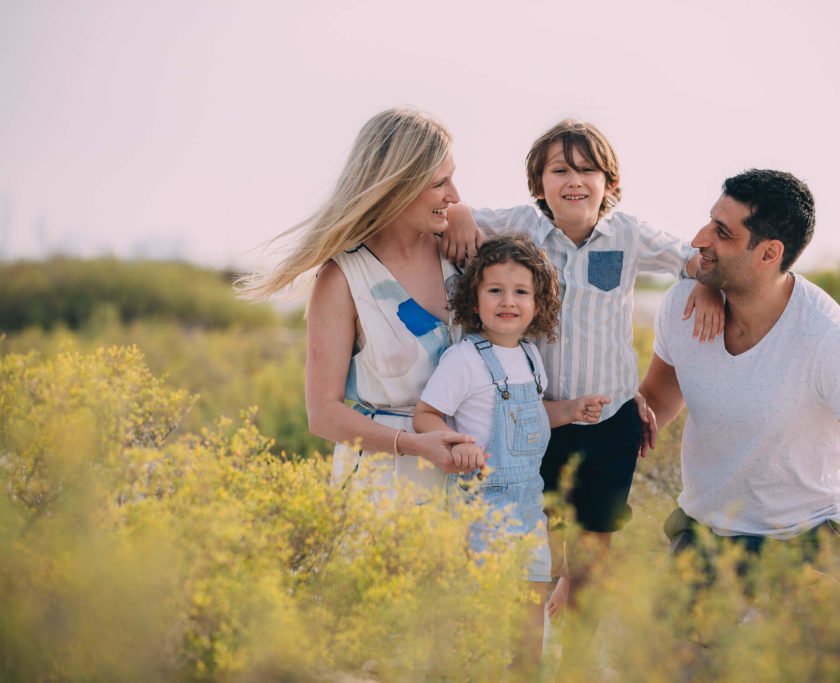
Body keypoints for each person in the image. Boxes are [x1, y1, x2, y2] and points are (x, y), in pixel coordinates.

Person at [444, 118, 725, 615]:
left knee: (593, 554)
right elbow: (448, 215)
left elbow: (695, 258)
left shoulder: (629, 235)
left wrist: (704, 283)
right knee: (542, 548)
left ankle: (577, 650)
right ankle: (534, 641)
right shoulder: (518, 226)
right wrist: (463, 210)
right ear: (539, 184)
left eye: (587, 169)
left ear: (610, 183)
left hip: (610, 420)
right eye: (559, 170)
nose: (574, 180)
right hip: (540, 420)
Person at [638, 169, 840, 573]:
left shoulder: (832, 342)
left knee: (795, 638)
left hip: (807, 543)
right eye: (710, 221)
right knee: (653, 637)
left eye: (723, 232)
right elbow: (655, 402)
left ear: (769, 254)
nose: (700, 238)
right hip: (704, 536)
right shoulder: (684, 305)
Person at [237, 107, 478, 499]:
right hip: (387, 485)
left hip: (474, 485)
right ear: (398, 185)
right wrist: (415, 445)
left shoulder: (462, 251)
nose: (455, 196)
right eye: (441, 183)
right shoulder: (343, 278)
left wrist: (466, 215)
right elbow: (323, 414)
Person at [413, 234, 610, 672]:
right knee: (480, 610)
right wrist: (456, 445)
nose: (509, 301)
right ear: (474, 298)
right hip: (481, 505)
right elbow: (426, 416)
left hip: (528, 507)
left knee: (529, 609)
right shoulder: (464, 359)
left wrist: (572, 410)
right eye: (495, 290)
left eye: (521, 292)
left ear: (539, 303)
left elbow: (533, 415)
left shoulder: (529, 356)